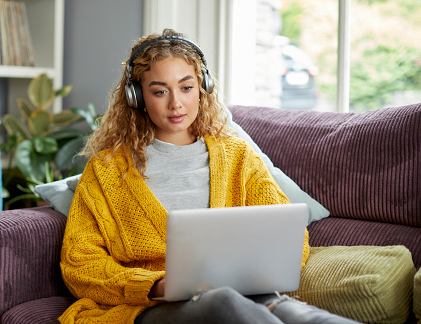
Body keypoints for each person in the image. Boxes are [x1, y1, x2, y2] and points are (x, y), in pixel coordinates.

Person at [59, 29, 360, 324]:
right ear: (137, 97)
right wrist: (155, 286)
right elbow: (80, 264)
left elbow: (289, 237)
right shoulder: (108, 170)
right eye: (160, 91)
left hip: (246, 296)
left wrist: (256, 274)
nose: (176, 103)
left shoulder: (238, 155)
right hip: (151, 308)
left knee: (301, 315)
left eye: (186, 87)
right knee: (224, 301)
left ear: (203, 87)